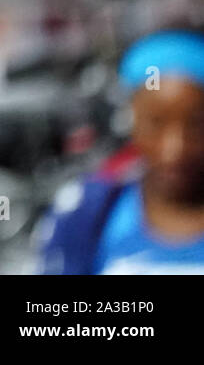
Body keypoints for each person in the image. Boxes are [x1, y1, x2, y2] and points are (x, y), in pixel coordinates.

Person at [35, 29, 204, 274]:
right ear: (130, 121)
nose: (174, 149)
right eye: (155, 123)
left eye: (197, 125)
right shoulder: (86, 213)